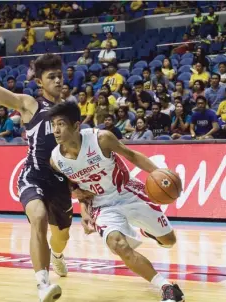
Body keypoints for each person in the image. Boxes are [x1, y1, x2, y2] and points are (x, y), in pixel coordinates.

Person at [0, 18, 92, 302]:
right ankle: (42, 283)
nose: (58, 80)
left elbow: (75, 154)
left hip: (60, 184)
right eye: (51, 76)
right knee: (37, 217)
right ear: (39, 81)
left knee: (61, 237)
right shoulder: (29, 104)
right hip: (33, 176)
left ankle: (57, 254)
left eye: (60, 76)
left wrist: (82, 191)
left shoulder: (70, 112)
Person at [49, 101, 185, 302]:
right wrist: (83, 210)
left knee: (169, 241)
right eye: (53, 125)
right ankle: (166, 287)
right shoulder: (56, 160)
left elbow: (131, 155)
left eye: (61, 124)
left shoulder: (101, 139)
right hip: (102, 205)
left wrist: (158, 173)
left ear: (76, 125)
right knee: (119, 245)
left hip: (128, 192)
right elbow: (74, 186)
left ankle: (148, 230)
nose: (56, 130)